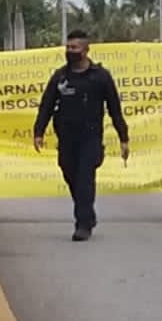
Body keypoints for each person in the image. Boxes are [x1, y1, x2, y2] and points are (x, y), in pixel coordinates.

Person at [33, 30, 130, 242]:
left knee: (85, 179)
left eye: (74, 48)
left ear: (86, 50)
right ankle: (87, 213)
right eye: (68, 47)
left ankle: (83, 224)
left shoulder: (100, 77)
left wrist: (123, 138)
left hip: (90, 137)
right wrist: (38, 131)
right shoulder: (60, 77)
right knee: (70, 174)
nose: (70, 51)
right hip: (66, 137)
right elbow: (47, 105)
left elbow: (115, 109)